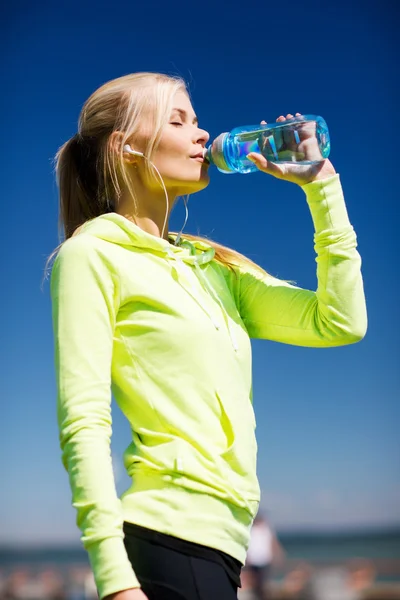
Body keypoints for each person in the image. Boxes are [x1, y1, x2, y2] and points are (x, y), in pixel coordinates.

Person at [50, 72, 367, 600]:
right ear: (125, 147)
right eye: (178, 120)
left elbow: (339, 322)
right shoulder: (92, 255)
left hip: (224, 550)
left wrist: (321, 186)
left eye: (198, 121)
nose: (202, 135)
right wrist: (114, 581)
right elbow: (83, 420)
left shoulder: (213, 267)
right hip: (166, 542)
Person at [244, 512, 285, 599]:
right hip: (254, 561)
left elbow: (273, 543)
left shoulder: (266, 529)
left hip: (265, 560)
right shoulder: (251, 528)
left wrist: (278, 556)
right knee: (255, 583)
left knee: (264, 583)